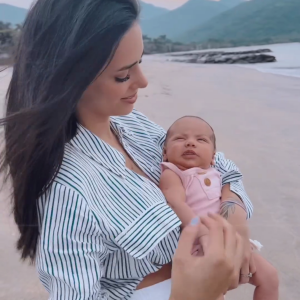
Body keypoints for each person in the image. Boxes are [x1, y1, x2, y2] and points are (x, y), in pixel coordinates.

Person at [0, 0, 253, 299]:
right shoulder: (70, 191)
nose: (142, 82)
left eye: (140, 63)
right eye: (123, 75)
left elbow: (218, 164)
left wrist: (233, 210)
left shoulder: (134, 126)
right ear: (69, 79)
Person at [159, 116, 279, 300]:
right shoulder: (173, 173)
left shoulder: (217, 173)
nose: (190, 143)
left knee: (269, 277)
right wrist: (202, 232)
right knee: (214, 293)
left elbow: (231, 193)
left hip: (228, 238)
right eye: (180, 139)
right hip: (198, 243)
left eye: (201, 140)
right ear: (165, 153)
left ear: (214, 155)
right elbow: (175, 203)